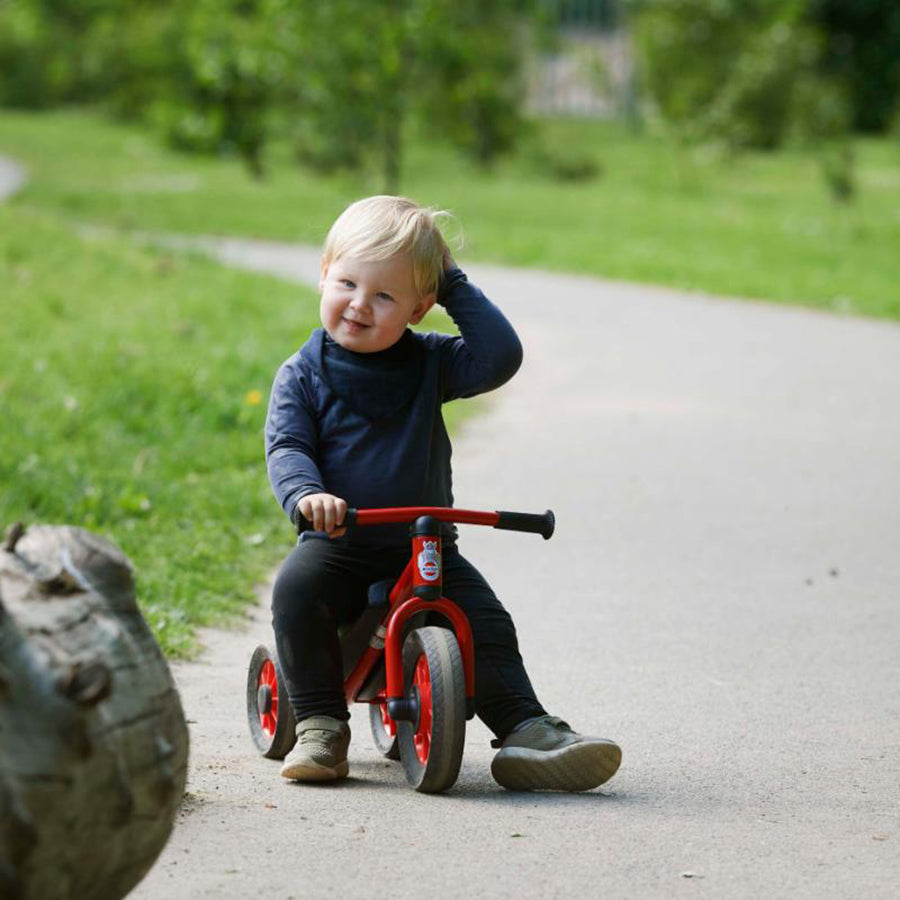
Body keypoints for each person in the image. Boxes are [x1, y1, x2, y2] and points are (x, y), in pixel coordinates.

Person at [265, 195, 621, 791]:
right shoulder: (301, 375)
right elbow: (288, 448)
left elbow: (500, 356)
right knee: (297, 590)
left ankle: (527, 730)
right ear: (324, 274)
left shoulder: (430, 362)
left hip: (425, 543)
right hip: (341, 539)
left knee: (482, 619)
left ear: (419, 307)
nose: (359, 304)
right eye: (347, 282)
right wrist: (307, 496)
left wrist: (453, 282)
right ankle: (322, 725)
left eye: (384, 295)